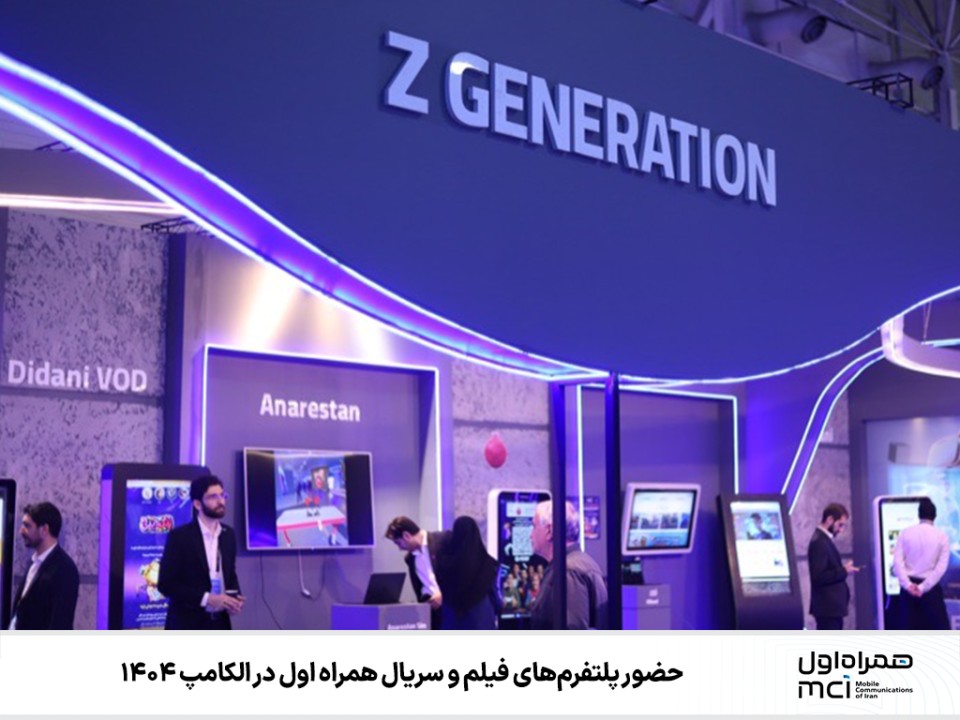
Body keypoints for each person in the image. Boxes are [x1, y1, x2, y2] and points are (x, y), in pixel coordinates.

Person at [158, 475, 243, 630]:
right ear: (197, 504)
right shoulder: (180, 537)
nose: (221, 501)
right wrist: (206, 599)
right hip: (187, 624)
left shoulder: (228, 534)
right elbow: (166, 584)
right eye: (213, 497)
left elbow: (230, 574)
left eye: (222, 495)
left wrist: (235, 599)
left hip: (220, 623)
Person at [529, 500, 608, 630]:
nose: (530, 535)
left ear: (549, 531)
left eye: (534, 526)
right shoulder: (576, 563)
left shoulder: (568, 571)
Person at [8, 502, 79, 630]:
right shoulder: (34, 562)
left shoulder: (65, 569)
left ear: (44, 530)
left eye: (27, 526)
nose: (21, 531)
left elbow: (60, 625)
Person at [892, 498, 950, 630]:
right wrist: (923, 587)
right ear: (935, 516)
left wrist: (908, 585)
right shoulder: (942, 536)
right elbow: (940, 568)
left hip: (908, 591)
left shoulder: (905, 533)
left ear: (919, 515)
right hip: (931, 590)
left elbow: (897, 563)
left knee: (908, 631)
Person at [434, 515, 499, 629]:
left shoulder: (444, 563)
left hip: (453, 620)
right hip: (481, 618)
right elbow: (495, 597)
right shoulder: (488, 563)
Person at [385, 515, 447, 629]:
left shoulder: (443, 540)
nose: (400, 548)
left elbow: (459, 573)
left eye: (398, 543)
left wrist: (444, 594)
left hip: (453, 610)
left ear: (406, 535)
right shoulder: (410, 559)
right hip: (432, 614)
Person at [807, 502, 859, 630]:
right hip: (827, 610)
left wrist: (843, 570)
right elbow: (819, 576)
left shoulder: (823, 540)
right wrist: (844, 571)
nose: (841, 530)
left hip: (831, 610)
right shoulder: (819, 542)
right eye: (840, 525)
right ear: (830, 519)